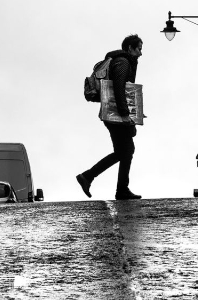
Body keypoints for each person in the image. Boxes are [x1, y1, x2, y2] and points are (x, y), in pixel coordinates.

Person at [76, 34, 143, 200]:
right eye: (139, 49)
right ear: (130, 48)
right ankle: (118, 188)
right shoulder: (123, 62)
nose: (141, 53)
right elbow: (119, 88)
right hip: (115, 115)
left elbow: (125, 91)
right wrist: (125, 114)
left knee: (124, 151)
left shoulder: (122, 61)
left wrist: (134, 112)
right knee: (126, 150)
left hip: (113, 114)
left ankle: (90, 177)